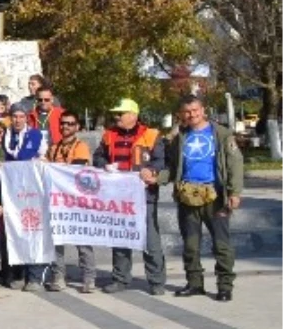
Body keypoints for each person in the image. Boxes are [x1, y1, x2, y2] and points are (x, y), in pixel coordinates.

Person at [165, 94, 244, 302]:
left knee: (221, 244)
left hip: (215, 196)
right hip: (187, 197)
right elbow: (172, 168)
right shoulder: (179, 137)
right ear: (181, 114)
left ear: (203, 110)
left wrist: (235, 192)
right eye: (187, 112)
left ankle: (225, 286)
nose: (191, 115)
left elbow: (235, 164)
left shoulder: (221, 134)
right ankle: (194, 283)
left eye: (195, 110)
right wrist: (154, 177)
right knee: (190, 244)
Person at [94, 98, 167, 295]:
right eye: (116, 113)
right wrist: (104, 165)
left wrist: (151, 170)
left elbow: (161, 160)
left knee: (150, 240)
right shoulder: (109, 135)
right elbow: (98, 156)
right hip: (118, 198)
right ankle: (120, 279)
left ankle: (157, 281)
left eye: (121, 113)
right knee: (120, 238)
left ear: (133, 115)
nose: (116, 117)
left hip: (144, 196)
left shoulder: (151, 135)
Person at [45, 111, 96, 293]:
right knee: (57, 240)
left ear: (77, 127)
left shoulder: (81, 146)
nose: (66, 126)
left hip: (77, 201)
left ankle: (89, 278)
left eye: (70, 123)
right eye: (63, 123)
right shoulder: (53, 148)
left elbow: (75, 170)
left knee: (82, 241)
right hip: (58, 201)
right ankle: (58, 276)